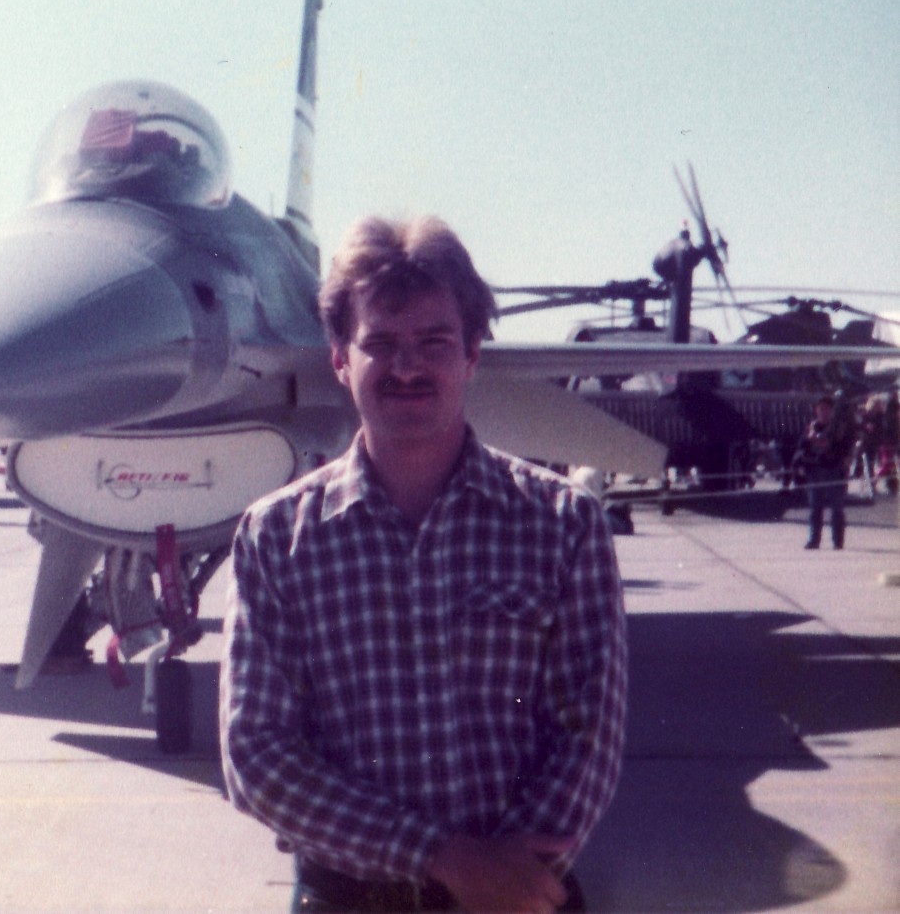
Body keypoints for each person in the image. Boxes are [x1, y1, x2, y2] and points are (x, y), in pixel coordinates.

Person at [220, 216, 628, 913]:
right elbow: (256, 754)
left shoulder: (564, 524)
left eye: (434, 342)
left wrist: (508, 875)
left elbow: (589, 736)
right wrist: (445, 859)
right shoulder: (276, 537)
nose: (407, 366)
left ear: (472, 353)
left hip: (519, 897)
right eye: (380, 343)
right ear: (340, 359)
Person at [795, 395, 854, 550]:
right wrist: (809, 439)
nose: (824, 412)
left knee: (837, 508)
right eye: (821, 409)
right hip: (815, 471)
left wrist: (828, 445)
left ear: (832, 411)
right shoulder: (811, 427)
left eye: (827, 409)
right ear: (816, 410)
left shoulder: (839, 429)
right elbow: (801, 446)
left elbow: (845, 447)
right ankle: (814, 540)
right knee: (815, 508)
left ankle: (838, 541)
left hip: (834, 470)